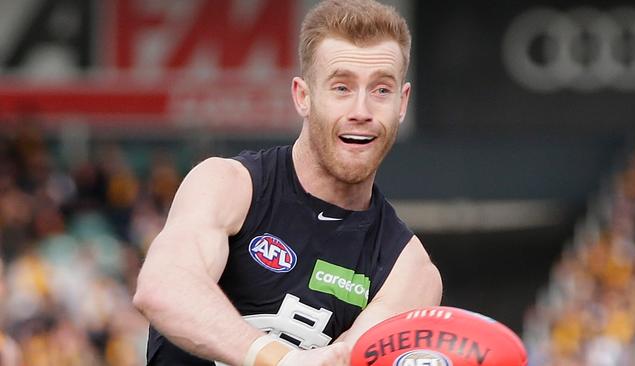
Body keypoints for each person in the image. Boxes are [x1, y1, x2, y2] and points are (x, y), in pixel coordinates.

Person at [133, 0, 443, 365]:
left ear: (402, 104)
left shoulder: (409, 269)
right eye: (341, 88)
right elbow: (162, 287)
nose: (361, 112)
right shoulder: (229, 184)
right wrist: (278, 359)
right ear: (303, 96)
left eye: (381, 90)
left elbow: (350, 359)